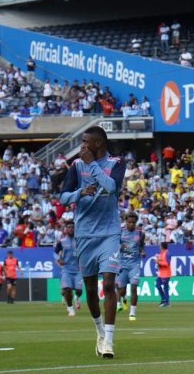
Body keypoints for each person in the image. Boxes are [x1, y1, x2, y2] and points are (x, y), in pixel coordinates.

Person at [60, 126, 126, 359]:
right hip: (85, 235)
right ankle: (99, 332)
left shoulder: (117, 163)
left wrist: (93, 166)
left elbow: (112, 188)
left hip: (109, 233)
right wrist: (80, 193)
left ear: (98, 144)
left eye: (86, 142)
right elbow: (62, 197)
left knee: (108, 283)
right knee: (89, 288)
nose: (82, 146)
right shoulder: (76, 166)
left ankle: (108, 341)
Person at [117, 212, 145, 321]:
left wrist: (142, 252)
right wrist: (120, 246)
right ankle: (123, 298)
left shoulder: (140, 234)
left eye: (133, 222)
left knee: (134, 287)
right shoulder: (120, 233)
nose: (131, 224)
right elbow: (114, 246)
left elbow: (142, 246)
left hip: (135, 264)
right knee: (122, 290)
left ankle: (132, 313)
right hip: (122, 265)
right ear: (125, 222)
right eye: (129, 222)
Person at [56, 220, 83, 316]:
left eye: (72, 227)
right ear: (65, 229)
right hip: (66, 270)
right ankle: (71, 309)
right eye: (69, 227)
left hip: (78, 270)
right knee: (67, 289)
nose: (71, 229)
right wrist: (59, 259)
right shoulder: (62, 242)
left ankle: (77, 297)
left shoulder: (79, 240)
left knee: (79, 290)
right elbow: (55, 252)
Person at [154, 241, 172, 308]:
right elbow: (160, 261)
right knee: (157, 285)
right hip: (161, 273)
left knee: (165, 288)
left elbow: (167, 264)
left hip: (166, 274)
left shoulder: (167, 253)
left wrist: (158, 263)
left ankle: (167, 302)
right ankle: (164, 299)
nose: (159, 247)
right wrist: (157, 261)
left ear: (162, 246)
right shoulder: (161, 253)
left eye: (160, 245)